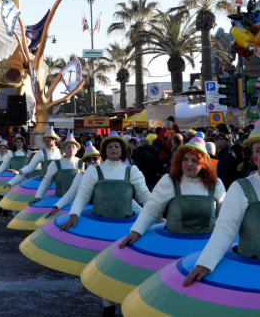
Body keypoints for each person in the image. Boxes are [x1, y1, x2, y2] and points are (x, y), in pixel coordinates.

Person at [121, 111, 260, 316]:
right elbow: (226, 227)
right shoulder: (241, 187)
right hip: (248, 275)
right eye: (259, 150)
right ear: (253, 157)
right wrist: (205, 263)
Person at [82, 132, 226, 308]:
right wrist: (136, 232)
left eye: (195, 160)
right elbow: (152, 208)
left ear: (204, 163)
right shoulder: (170, 181)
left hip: (204, 249)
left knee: (202, 296)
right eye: (185, 159)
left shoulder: (216, 185)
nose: (189, 164)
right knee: (171, 294)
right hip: (172, 250)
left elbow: (224, 218)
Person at [20, 131, 151, 317]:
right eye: (110, 146)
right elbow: (80, 195)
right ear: (105, 151)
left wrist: (157, 217)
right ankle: (108, 305)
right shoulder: (94, 170)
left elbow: (144, 198)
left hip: (126, 227)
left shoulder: (132, 171)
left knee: (127, 266)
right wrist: (73, 214)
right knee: (105, 266)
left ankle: (128, 302)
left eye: (117, 146)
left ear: (123, 150)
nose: (114, 149)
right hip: (101, 228)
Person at [1, 127, 62, 210]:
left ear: (55, 140)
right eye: (45, 141)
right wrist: (14, 179)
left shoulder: (62, 153)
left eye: (49, 140)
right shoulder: (41, 153)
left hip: (59, 185)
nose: (46, 143)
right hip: (46, 185)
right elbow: (30, 167)